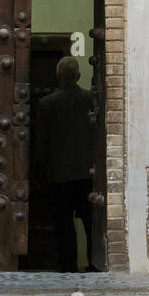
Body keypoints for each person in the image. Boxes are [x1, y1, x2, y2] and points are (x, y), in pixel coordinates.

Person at [34, 56, 98, 274]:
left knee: (64, 224)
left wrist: (38, 170)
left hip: (58, 174)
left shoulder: (46, 104)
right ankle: (93, 262)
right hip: (85, 173)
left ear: (58, 76)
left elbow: (41, 142)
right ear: (78, 76)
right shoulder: (90, 100)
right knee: (90, 222)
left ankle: (67, 265)